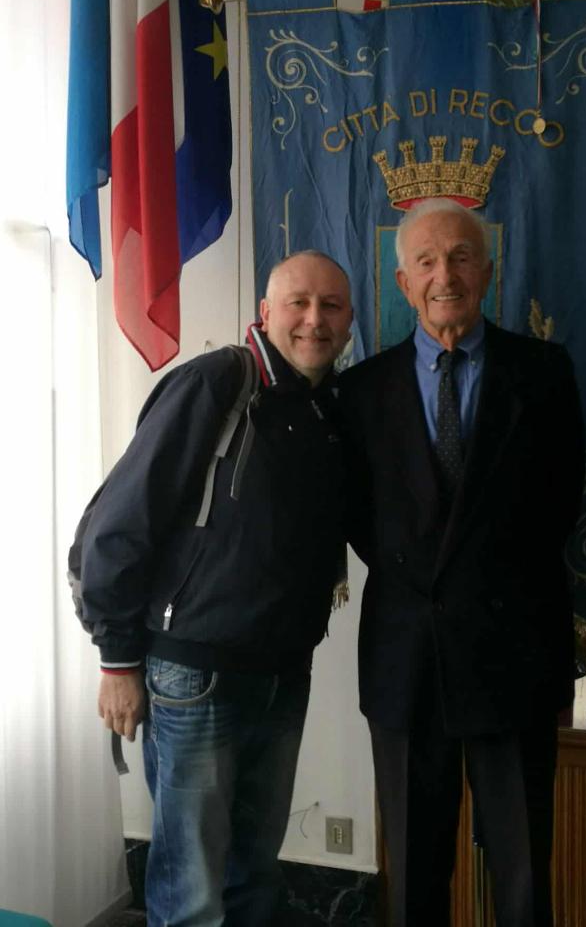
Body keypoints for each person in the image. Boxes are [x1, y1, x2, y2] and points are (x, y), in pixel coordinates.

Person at [80, 251, 353, 927]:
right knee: (192, 888)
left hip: (283, 671)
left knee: (254, 869)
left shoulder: (326, 406)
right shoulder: (217, 382)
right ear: (265, 312)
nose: (314, 320)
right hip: (194, 676)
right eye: (298, 303)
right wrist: (117, 661)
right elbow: (118, 526)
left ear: (350, 321)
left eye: (330, 306)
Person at [340, 199, 584, 927]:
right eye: (426, 261)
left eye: (460, 257)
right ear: (402, 281)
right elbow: (359, 519)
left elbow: (559, 506)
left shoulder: (543, 373)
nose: (444, 275)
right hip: (405, 661)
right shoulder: (362, 389)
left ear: (488, 271)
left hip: (515, 653)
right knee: (413, 876)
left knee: (522, 872)